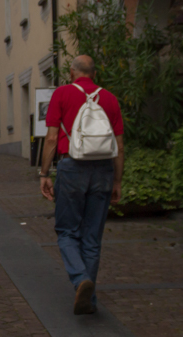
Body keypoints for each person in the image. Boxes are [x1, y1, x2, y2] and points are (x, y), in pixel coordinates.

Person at [40, 55, 125, 316]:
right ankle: (88, 297)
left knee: (66, 231)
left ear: (72, 72)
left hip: (71, 166)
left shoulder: (62, 94)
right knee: (92, 236)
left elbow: (52, 138)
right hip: (103, 170)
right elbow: (119, 146)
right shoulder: (110, 98)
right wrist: (118, 180)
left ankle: (80, 280)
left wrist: (44, 173)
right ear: (94, 73)